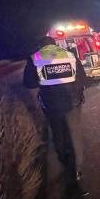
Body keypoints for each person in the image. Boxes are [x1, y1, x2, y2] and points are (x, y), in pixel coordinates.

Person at [23, 36, 87, 188]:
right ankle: (77, 169)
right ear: (55, 44)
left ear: (40, 45)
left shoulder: (35, 58)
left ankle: (65, 165)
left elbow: (29, 83)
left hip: (50, 103)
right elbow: (82, 78)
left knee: (58, 134)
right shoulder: (69, 55)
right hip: (72, 101)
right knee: (74, 134)